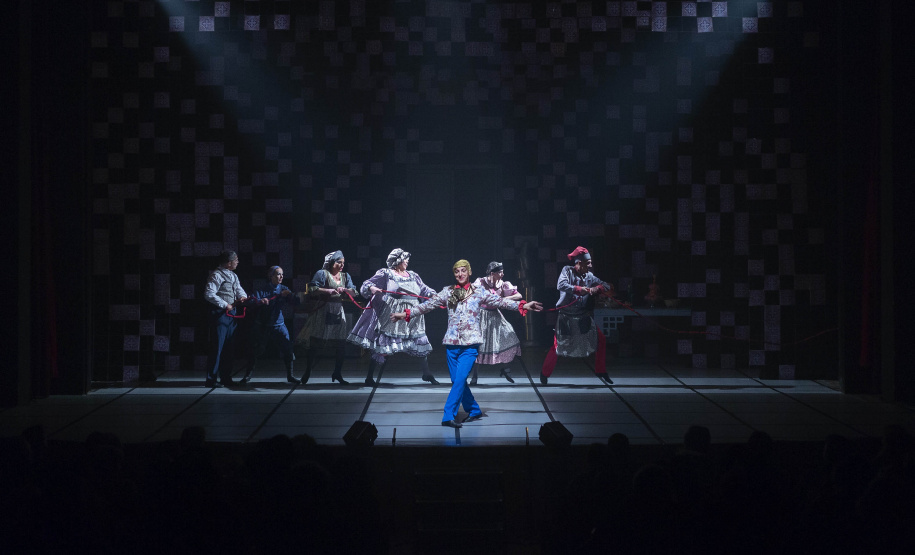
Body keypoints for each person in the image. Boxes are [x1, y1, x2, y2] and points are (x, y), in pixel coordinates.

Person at [391, 260, 542, 428]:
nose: (460, 274)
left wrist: (524, 305)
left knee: (460, 379)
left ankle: (448, 415)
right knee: (458, 381)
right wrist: (404, 314)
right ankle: (474, 409)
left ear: (469, 272)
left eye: (463, 271)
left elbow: (501, 302)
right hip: (451, 344)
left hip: (470, 345)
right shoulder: (448, 292)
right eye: (457, 272)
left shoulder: (479, 291)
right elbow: (427, 306)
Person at [347, 248, 441, 386]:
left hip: (412, 313)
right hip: (393, 313)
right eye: (405, 259)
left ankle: (426, 373)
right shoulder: (386, 273)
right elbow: (367, 284)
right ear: (397, 261)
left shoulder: (413, 275)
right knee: (384, 344)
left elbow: (424, 288)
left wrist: (432, 294)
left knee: (419, 339)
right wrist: (372, 288)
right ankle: (369, 377)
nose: (407, 261)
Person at [540, 246, 614, 384]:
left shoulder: (589, 276)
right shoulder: (567, 271)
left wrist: (597, 288)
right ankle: (544, 373)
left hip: (582, 315)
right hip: (566, 316)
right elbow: (561, 285)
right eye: (588, 263)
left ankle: (600, 370)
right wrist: (579, 289)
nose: (590, 266)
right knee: (557, 345)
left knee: (601, 339)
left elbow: (606, 285)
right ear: (579, 263)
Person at [295, 251, 357, 384]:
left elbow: (354, 292)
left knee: (341, 343)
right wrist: (327, 290)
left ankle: (337, 373)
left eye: (343, 263)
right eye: (339, 262)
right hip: (324, 310)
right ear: (332, 262)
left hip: (338, 311)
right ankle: (308, 371)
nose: (342, 265)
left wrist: (345, 290)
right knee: (316, 342)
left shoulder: (345, 276)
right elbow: (312, 288)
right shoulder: (322, 273)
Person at [241, 266, 300, 385]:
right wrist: (260, 301)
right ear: (271, 276)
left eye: (282, 274)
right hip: (263, 325)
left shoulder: (284, 289)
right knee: (255, 350)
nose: (281, 277)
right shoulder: (262, 290)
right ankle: (247, 376)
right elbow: (250, 301)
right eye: (278, 274)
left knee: (288, 349)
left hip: (279, 325)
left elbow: (296, 302)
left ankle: (290, 376)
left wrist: (290, 295)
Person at [469, 261, 523, 384]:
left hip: (495, 314)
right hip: (482, 315)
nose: (502, 274)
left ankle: (506, 369)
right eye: (500, 272)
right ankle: (474, 376)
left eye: (502, 272)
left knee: (509, 336)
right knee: (479, 346)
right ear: (492, 273)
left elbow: (518, 295)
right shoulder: (481, 282)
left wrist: (504, 299)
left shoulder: (503, 284)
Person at [203, 250, 249, 387]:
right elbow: (209, 294)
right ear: (229, 262)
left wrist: (243, 296)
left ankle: (226, 377)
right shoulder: (216, 275)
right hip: (220, 315)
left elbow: (238, 289)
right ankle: (211, 379)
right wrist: (225, 305)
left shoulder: (233, 275)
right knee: (217, 347)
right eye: (236, 260)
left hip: (232, 316)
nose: (238, 262)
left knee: (229, 348)